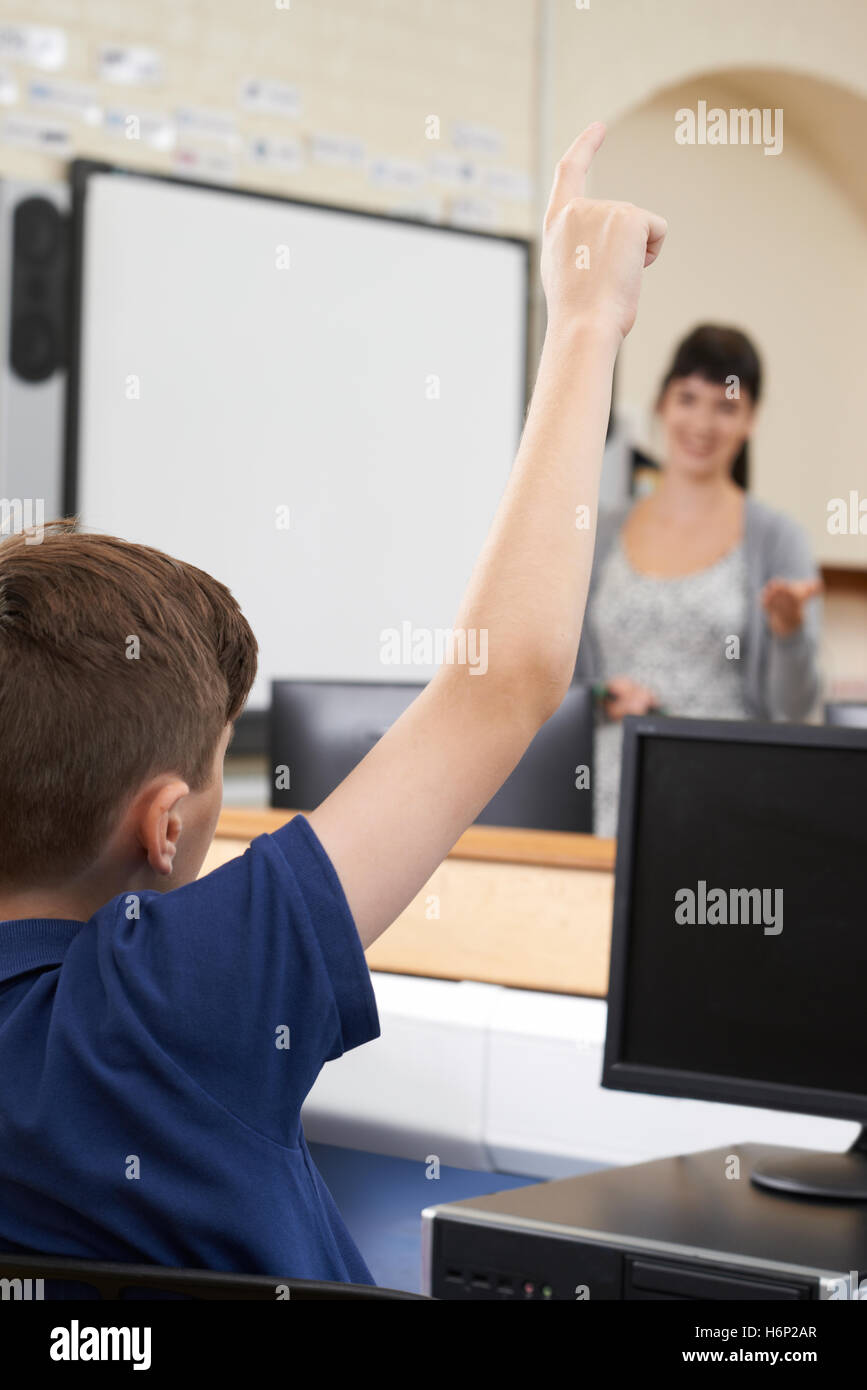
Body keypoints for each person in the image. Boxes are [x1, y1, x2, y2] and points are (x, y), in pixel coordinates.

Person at [0, 125, 666, 1281]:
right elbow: (501, 681)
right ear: (166, 827)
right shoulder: (161, 1005)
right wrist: (584, 321)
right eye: (218, 769)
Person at [574, 325, 823, 837]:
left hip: (725, 789)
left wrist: (789, 634)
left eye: (726, 406)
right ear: (662, 404)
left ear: (750, 419)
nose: (703, 423)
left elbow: (796, 713)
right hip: (604, 791)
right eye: (688, 398)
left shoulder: (776, 539)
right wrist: (600, 694)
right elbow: (564, 682)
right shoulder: (600, 533)